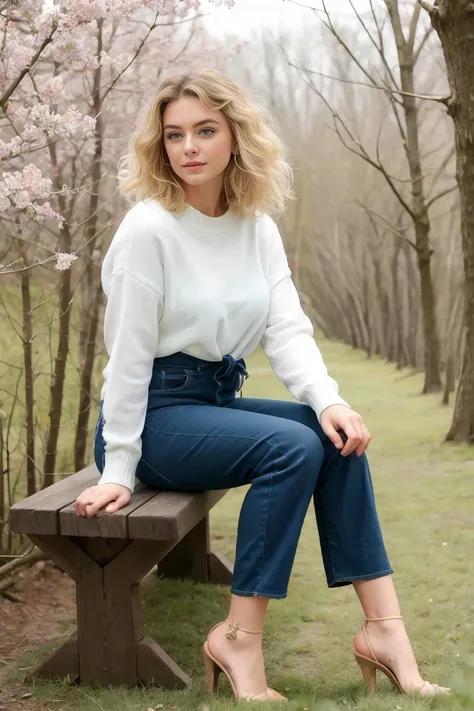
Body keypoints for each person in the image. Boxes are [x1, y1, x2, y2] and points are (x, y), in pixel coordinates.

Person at [74, 69, 449, 702]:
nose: (189, 147)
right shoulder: (148, 230)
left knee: (336, 437)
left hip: (212, 405)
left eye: (205, 130)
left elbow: (287, 329)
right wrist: (119, 468)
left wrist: (330, 401)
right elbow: (129, 358)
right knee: (292, 447)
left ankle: (385, 629)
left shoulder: (256, 226)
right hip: (150, 421)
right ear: (159, 146)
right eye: (175, 135)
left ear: (234, 137)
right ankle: (238, 639)